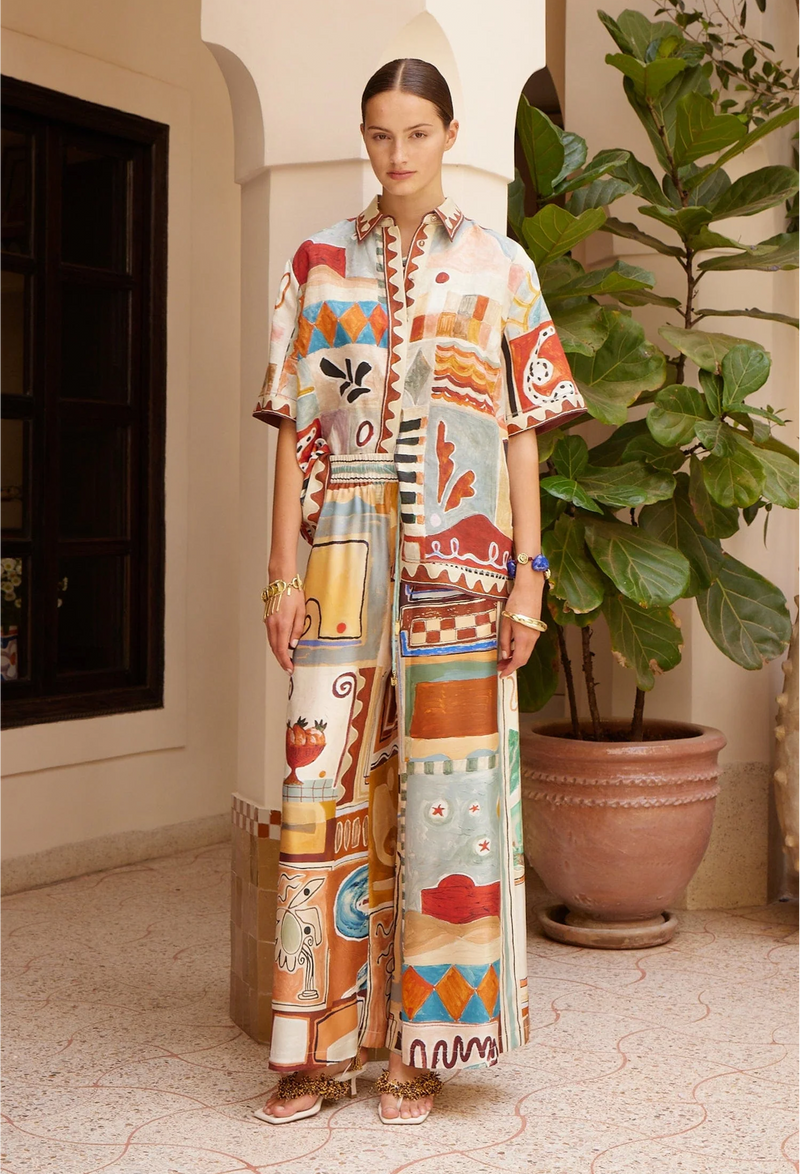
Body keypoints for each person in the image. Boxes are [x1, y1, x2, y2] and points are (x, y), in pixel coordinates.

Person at [252, 57, 586, 1126]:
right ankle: (315, 1045)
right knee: (322, 790)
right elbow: (293, 431)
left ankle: (419, 1049)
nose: (394, 155)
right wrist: (280, 574)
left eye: (414, 133)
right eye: (377, 134)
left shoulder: (503, 266)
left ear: (449, 135)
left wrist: (527, 581)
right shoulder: (317, 263)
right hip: (342, 552)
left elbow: (522, 434)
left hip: (463, 556)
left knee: (449, 804)